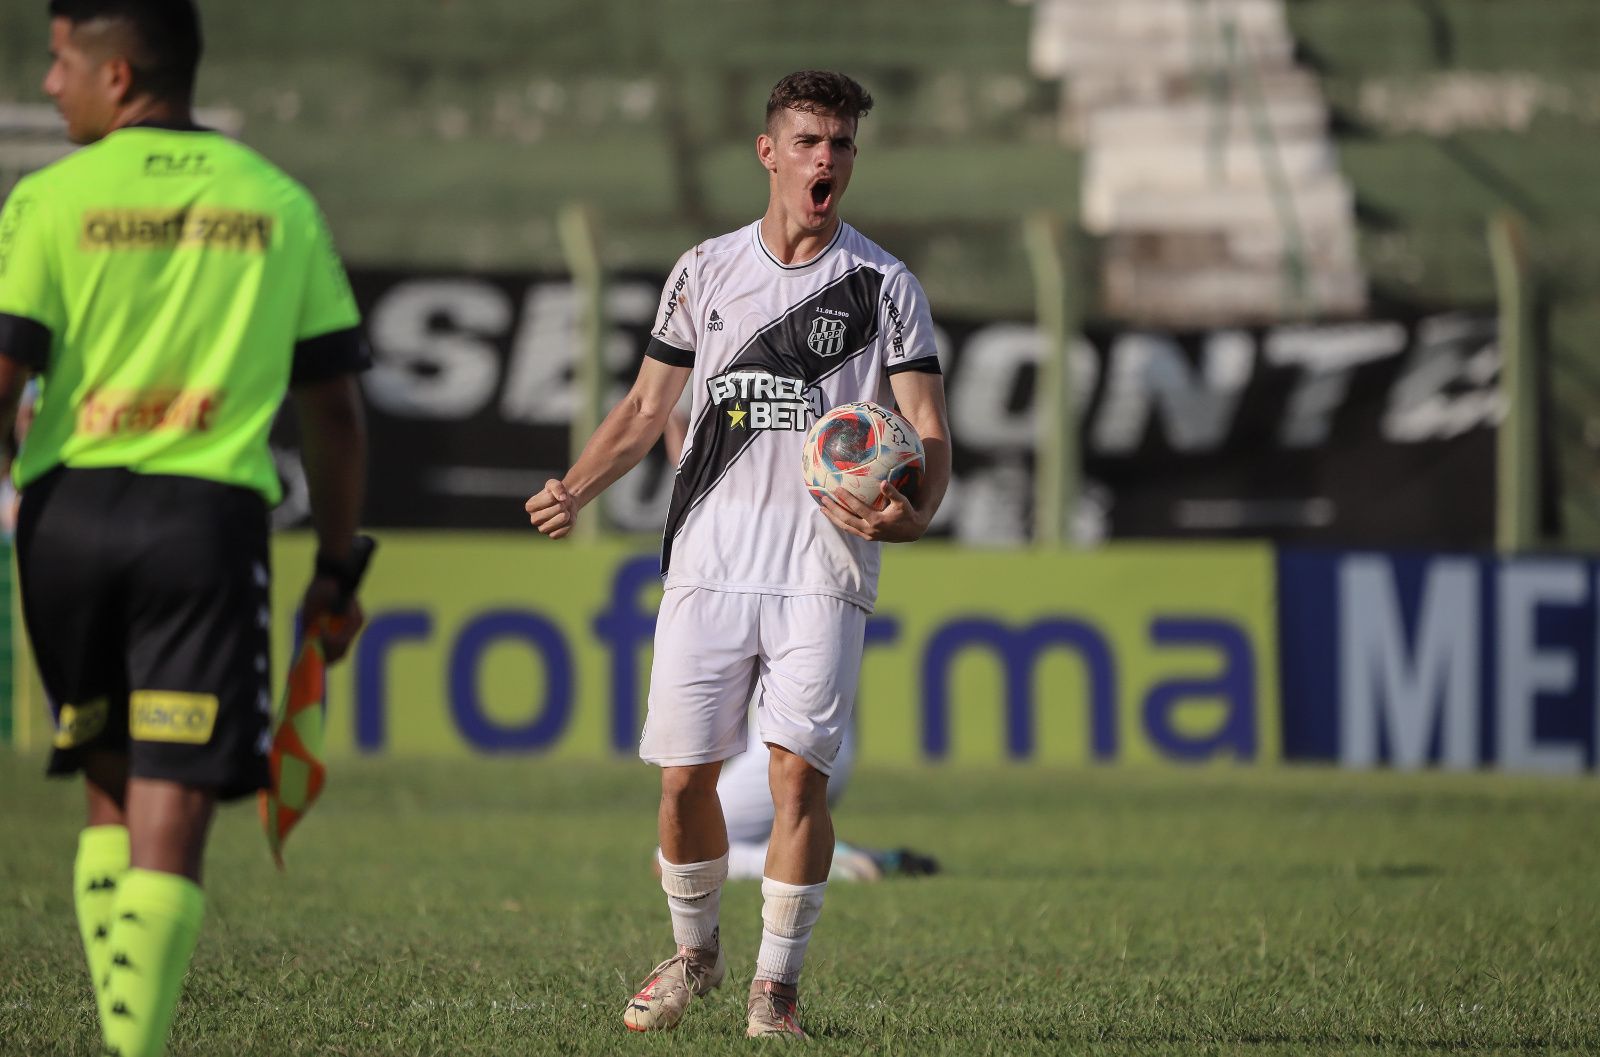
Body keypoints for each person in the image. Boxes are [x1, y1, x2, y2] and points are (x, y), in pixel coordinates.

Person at [526, 70, 951, 1039]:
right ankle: (694, 955)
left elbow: (925, 423)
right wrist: (574, 487)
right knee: (683, 779)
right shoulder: (705, 269)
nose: (826, 160)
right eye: (808, 141)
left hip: (823, 567)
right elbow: (645, 409)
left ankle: (776, 990)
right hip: (709, 562)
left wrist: (916, 510)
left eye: (840, 144)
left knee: (798, 775)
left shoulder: (885, 287)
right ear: (769, 152)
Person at [0, 3, 370, 1054]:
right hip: (200, 524)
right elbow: (335, 412)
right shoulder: (275, 200)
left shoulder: (50, 198)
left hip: (64, 514)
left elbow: (4, 374)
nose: (46, 83)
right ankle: (135, 1046)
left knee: (107, 772)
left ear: (117, 77)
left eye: (59, 61)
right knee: (174, 783)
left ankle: (120, 1030)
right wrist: (337, 566)